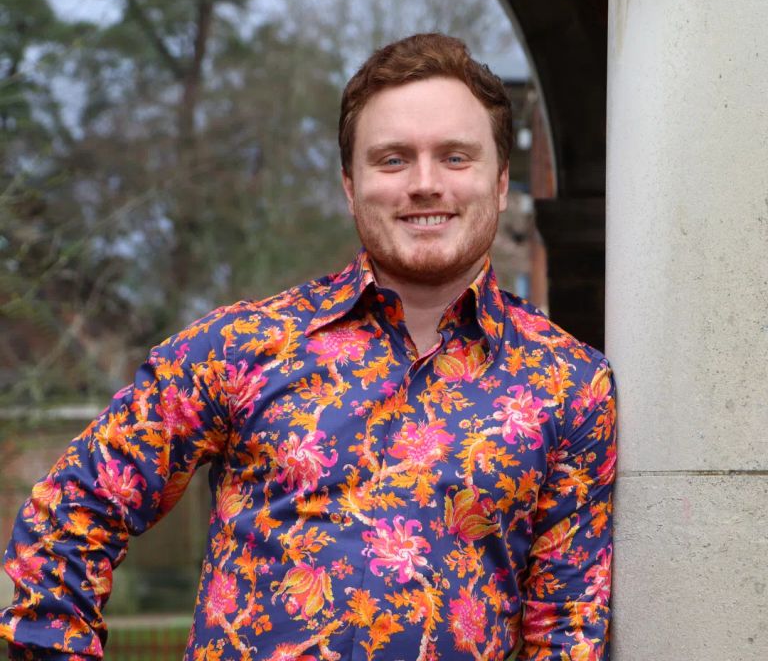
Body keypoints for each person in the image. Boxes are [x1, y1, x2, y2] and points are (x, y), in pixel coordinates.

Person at [1, 33, 616, 661]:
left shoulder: (570, 384)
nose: (425, 183)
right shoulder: (239, 348)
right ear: (350, 185)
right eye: (393, 159)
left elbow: (567, 628)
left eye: (456, 157)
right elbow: (68, 514)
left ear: (502, 180)